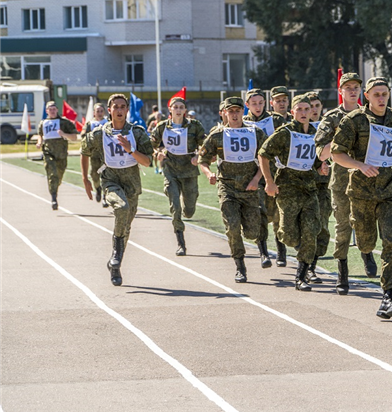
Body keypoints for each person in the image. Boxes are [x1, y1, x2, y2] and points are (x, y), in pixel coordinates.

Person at [331, 77, 392, 318]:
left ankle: (388, 296)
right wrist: (358, 165)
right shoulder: (355, 120)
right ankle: (365, 251)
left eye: (384, 94)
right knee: (367, 241)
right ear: (366, 96)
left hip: (389, 193)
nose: (381, 98)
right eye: (376, 94)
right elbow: (336, 154)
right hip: (361, 194)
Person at [80, 93, 153, 286]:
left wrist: (131, 150)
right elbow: (84, 150)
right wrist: (86, 179)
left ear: (127, 110)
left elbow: (147, 162)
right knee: (121, 208)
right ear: (109, 110)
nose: (119, 110)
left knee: (126, 226)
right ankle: (115, 257)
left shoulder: (137, 133)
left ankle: (115, 264)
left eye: (122, 107)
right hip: (110, 180)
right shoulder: (99, 133)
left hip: (132, 184)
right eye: (116, 107)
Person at [315, 72, 377, 295]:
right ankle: (342, 272)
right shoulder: (331, 118)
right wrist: (339, 137)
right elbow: (321, 154)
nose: (353, 90)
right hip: (341, 182)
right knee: (342, 228)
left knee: (365, 224)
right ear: (340, 91)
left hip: (367, 181)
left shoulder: (369, 115)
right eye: (348, 87)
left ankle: (366, 252)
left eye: (356, 87)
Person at [258, 94, 325, 291]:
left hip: (309, 188)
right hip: (287, 187)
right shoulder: (284, 132)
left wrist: (321, 167)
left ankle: (301, 276)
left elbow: (317, 159)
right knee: (288, 235)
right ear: (292, 112)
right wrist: (269, 182)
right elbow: (263, 154)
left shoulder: (316, 133)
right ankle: (290, 242)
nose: (305, 113)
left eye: (308, 109)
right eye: (301, 109)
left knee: (311, 232)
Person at [199, 97, 268, 282]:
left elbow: (266, 158)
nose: (235, 114)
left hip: (250, 188)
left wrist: (256, 179)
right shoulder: (217, 135)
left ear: (242, 112)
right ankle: (240, 265)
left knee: (252, 232)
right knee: (232, 227)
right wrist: (208, 174)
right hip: (227, 187)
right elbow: (202, 159)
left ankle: (259, 243)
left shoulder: (256, 132)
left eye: (238, 110)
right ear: (225, 113)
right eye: (231, 111)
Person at [150, 96, 207, 256]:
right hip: (171, 169)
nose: (178, 110)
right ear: (170, 109)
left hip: (189, 170)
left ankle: (187, 208)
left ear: (185, 110)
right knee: (175, 207)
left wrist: (199, 156)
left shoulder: (194, 126)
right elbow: (151, 144)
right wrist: (157, 153)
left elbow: (205, 144)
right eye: (176, 107)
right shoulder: (162, 127)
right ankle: (181, 243)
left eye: (181, 107)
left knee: (188, 210)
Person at [245, 87, 289, 267]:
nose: (258, 106)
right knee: (259, 213)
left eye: (261, 103)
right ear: (247, 105)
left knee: (277, 214)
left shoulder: (276, 119)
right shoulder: (243, 121)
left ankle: (281, 251)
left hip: (275, 172)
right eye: (254, 103)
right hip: (252, 173)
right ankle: (263, 252)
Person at [266, 85, 292, 266]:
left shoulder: (297, 118)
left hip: (292, 173)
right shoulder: (266, 121)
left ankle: (283, 249)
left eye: (284, 100)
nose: (281, 103)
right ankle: (278, 250)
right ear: (272, 102)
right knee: (272, 214)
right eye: (278, 100)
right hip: (271, 172)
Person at [36, 100, 79, 210]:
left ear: (57, 110)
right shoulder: (43, 123)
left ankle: (55, 189)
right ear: (47, 111)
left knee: (58, 176)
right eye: (50, 110)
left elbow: (74, 137)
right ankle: (54, 198)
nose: (52, 111)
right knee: (52, 175)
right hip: (48, 153)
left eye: (54, 109)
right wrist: (39, 142)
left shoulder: (64, 122)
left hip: (61, 155)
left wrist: (63, 134)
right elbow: (40, 135)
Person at [307, 91, 331, 284]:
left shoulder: (329, 127)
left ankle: (311, 267)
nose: (314, 110)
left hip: (323, 186)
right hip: (301, 185)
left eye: (316, 106)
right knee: (302, 229)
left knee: (321, 226)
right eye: (310, 107)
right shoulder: (299, 128)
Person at [81, 102, 109, 207]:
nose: (100, 113)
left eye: (101, 111)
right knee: (94, 174)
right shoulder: (90, 124)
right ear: (94, 113)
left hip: (106, 154)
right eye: (98, 111)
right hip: (94, 155)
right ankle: (98, 189)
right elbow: (83, 133)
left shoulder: (108, 122)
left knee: (106, 175)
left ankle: (105, 197)